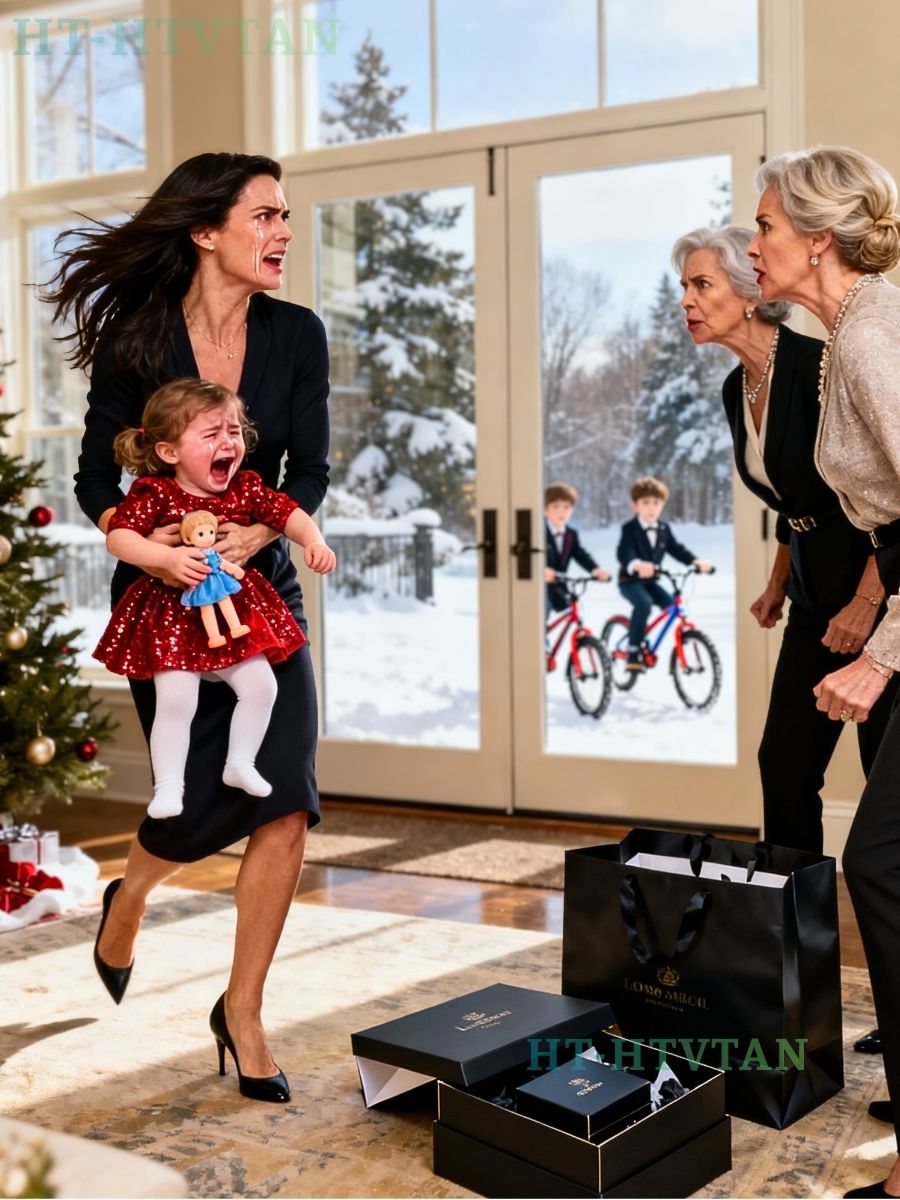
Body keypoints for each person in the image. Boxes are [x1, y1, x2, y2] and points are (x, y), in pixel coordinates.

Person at [44, 151, 330, 1103]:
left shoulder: (297, 334)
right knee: (190, 804)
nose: (283, 231)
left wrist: (263, 530)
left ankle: (242, 1011)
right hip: (162, 600)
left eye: (285, 215)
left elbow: (308, 469)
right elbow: (95, 477)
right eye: (266, 215)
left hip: (260, 595)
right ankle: (129, 895)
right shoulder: (138, 335)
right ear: (207, 232)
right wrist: (148, 545)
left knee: (283, 798)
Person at [748, 144, 900, 1200]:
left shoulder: (870, 338)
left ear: (815, 238)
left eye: (762, 227)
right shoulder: (854, 330)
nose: (751, 244)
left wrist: (880, 652)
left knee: (881, 865)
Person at [673, 225, 895, 856]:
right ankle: (792, 911)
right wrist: (777, 583)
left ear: (748, 292)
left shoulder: (816, 364)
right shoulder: (735, 387)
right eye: (684, 286)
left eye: (701, 284)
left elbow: (880, 494)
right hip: (811, 590)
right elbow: (792, 495)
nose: (686, 301)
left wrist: (866, 602)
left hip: (876, 589)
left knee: (881, 771)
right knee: (785, 764)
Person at [95, 380, 336, 820]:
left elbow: (289, 513)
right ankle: (169, 787)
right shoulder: (154, 493)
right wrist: (164, 557)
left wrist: (314, 541)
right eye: (211, 434)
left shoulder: (245, 488)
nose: (228, 443)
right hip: (174, 619)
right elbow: (119, 538)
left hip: (232, 617)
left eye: (234, 431)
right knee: (176, 702)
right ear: (169, 451)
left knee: (262, 687)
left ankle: (239, 763)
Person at [616, 477, 712, 670]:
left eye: (656, 503)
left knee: (672, 606)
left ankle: (643, 634)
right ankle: (633, 649)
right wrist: (636, 564)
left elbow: (676, 549)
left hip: (651, 582)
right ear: (635, 505)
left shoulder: (663, 529)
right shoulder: (630, 528)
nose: (651, 508)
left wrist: (695, 562)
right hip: (630, 581)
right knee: (644, 604)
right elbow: (624, 552)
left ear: (662, 505)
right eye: (645, 503)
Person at [544, 482, 611, 613]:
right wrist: (540, 571)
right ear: (545, 510)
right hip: (540, 589)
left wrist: (596, 569)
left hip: (559, 587)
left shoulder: (571, 534)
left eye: (566, 507)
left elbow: (580, 554)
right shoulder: (539, 532)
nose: (562, 512)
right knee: (542, 614)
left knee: (575, 611)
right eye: (556, 507)